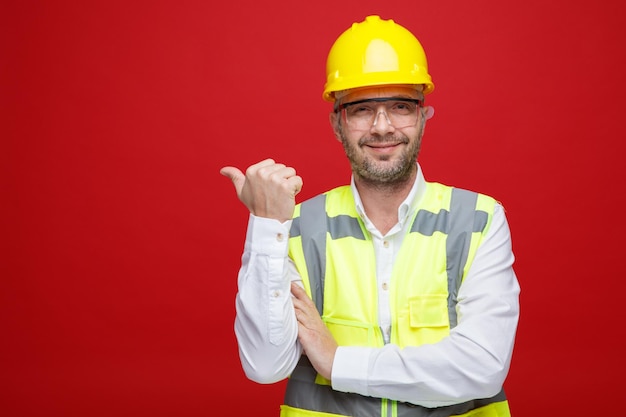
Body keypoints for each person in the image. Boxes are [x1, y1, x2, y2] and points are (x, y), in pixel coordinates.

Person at [220, 15, 520, 417]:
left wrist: (337, 362)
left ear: (423, 117)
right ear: (337, 123)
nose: (382, 127)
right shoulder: (295, 228)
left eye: (399, 106)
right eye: (362, 109)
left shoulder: (480, 222)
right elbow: (264, 365)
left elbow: (482, 367)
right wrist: (266, 225)